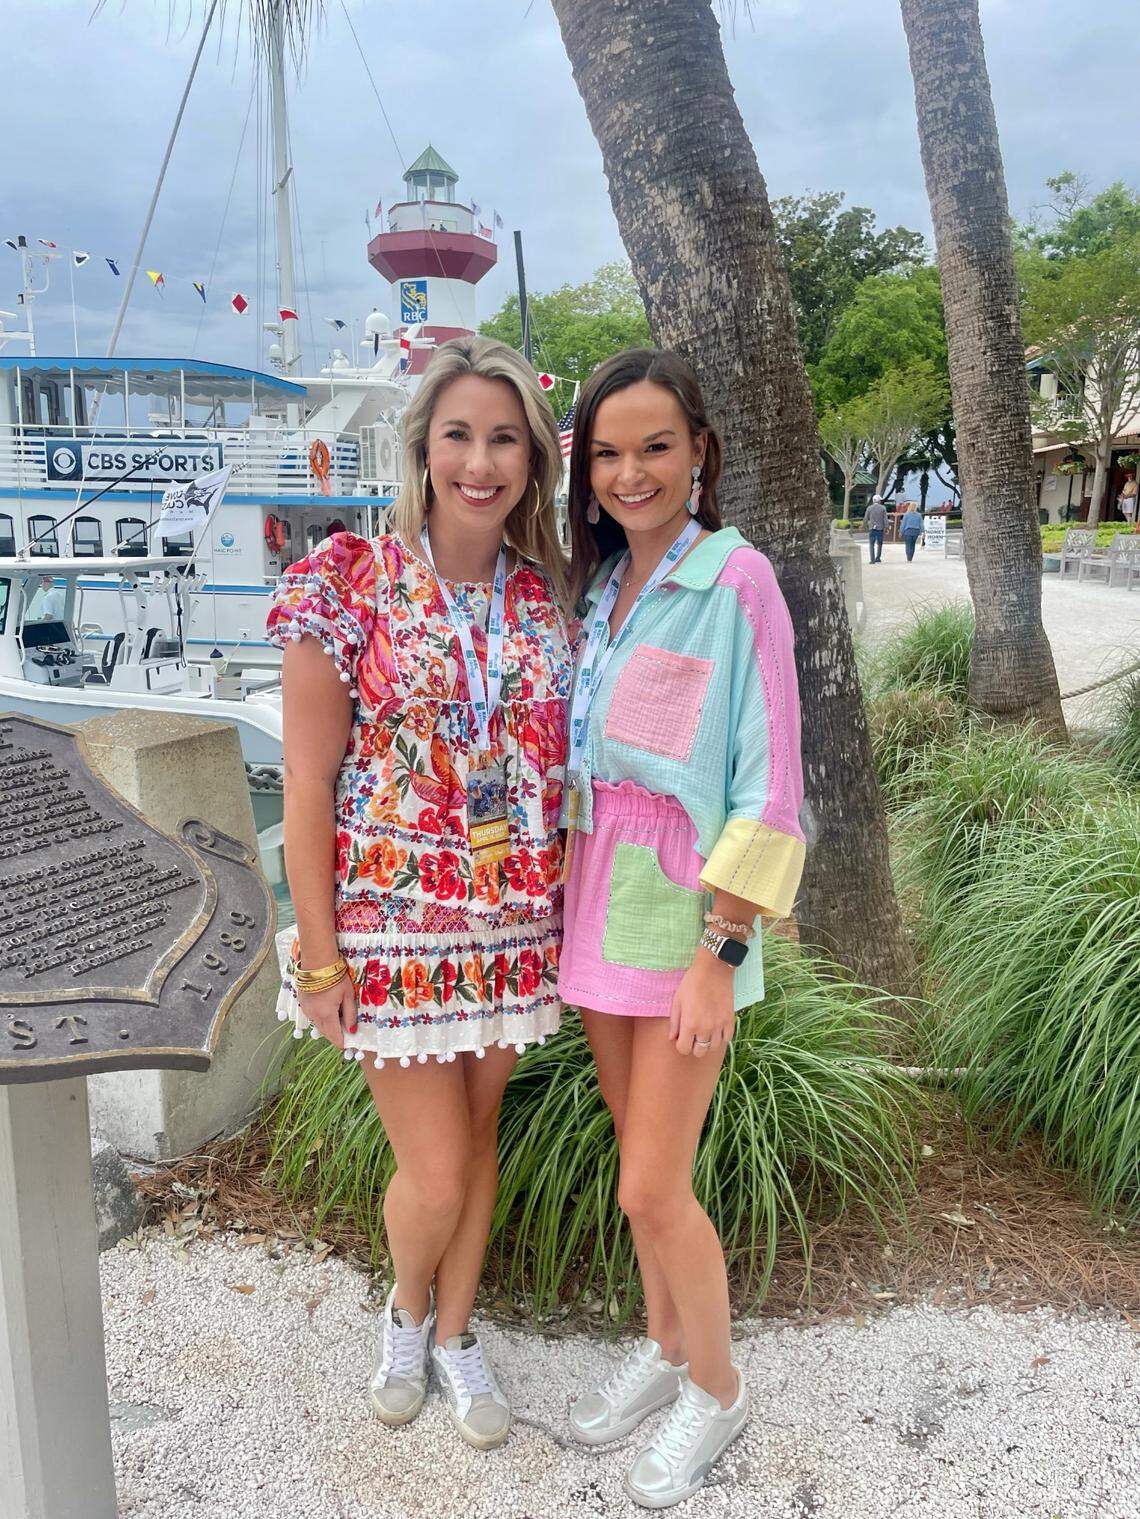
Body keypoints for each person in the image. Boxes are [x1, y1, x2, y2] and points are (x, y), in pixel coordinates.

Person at [266, 335, 572, 1452]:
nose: (480, 461)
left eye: (504, 438)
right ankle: (403, 1314)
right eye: (459, 435)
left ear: (533, 461)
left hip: (511, 919)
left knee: (482, 1139)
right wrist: (319, 951)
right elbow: (306, 781)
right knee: (435, 1168)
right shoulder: (347, 582)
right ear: (423, 447)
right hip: (390, 926)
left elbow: (555, 760)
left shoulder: (543, 600)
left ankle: (457, 1333)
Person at [558, 349, 805, 1509]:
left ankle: (717, 1386)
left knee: (652, 1188)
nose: (630, 471)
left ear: (699, 448)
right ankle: (664, 1347)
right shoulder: (601, 584)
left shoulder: (736, 577)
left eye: (655, 445)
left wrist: (725, 952)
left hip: (686, 911)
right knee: (636, 1154)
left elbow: (772, 785)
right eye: (607, 452)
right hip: (596, 893)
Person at [864, 494, 887, 563]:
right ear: (879, 501)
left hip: (872, 528)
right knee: (879, 544)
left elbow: (866, 518)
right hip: (880, 528)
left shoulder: (869, 508)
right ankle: (878, 558)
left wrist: (864, 525)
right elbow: (885, 519)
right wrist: (886, 527)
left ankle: (872, 559)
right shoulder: (883, 508)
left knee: (871, 544)